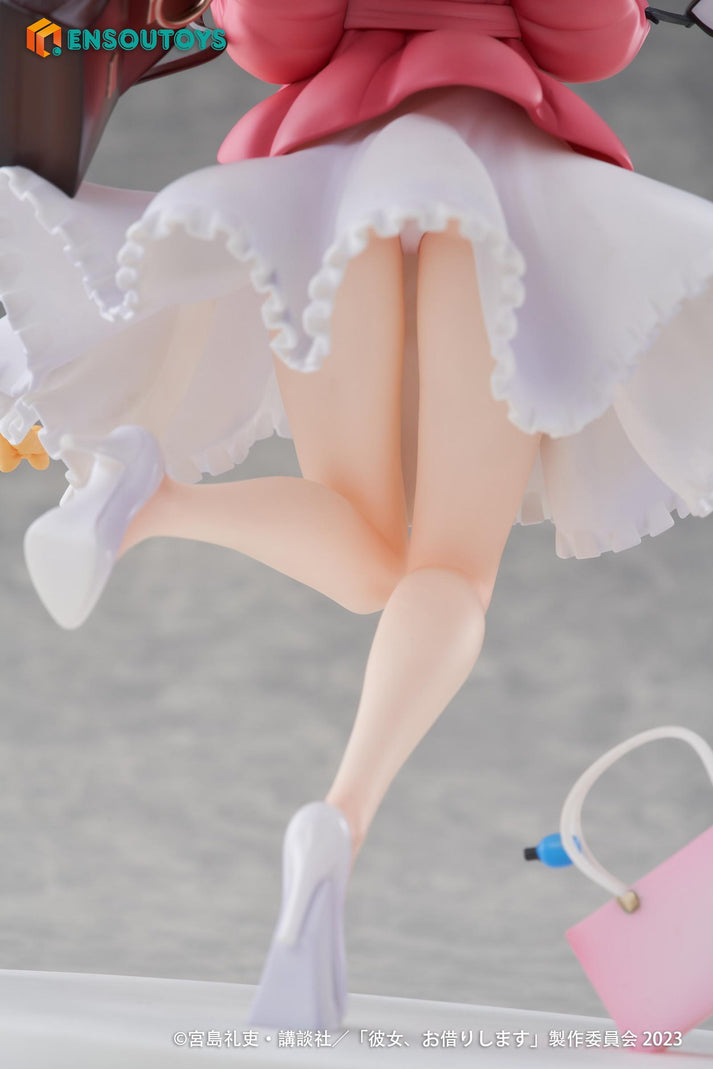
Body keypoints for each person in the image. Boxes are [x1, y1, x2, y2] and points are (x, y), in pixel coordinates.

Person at [1, 0, 713, 1030]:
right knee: (447, 570)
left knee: (367, 542)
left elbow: (266, 33)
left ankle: (148, 498)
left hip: (331, 179)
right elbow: (587, 35)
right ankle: (339, 816)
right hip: (492, 178)